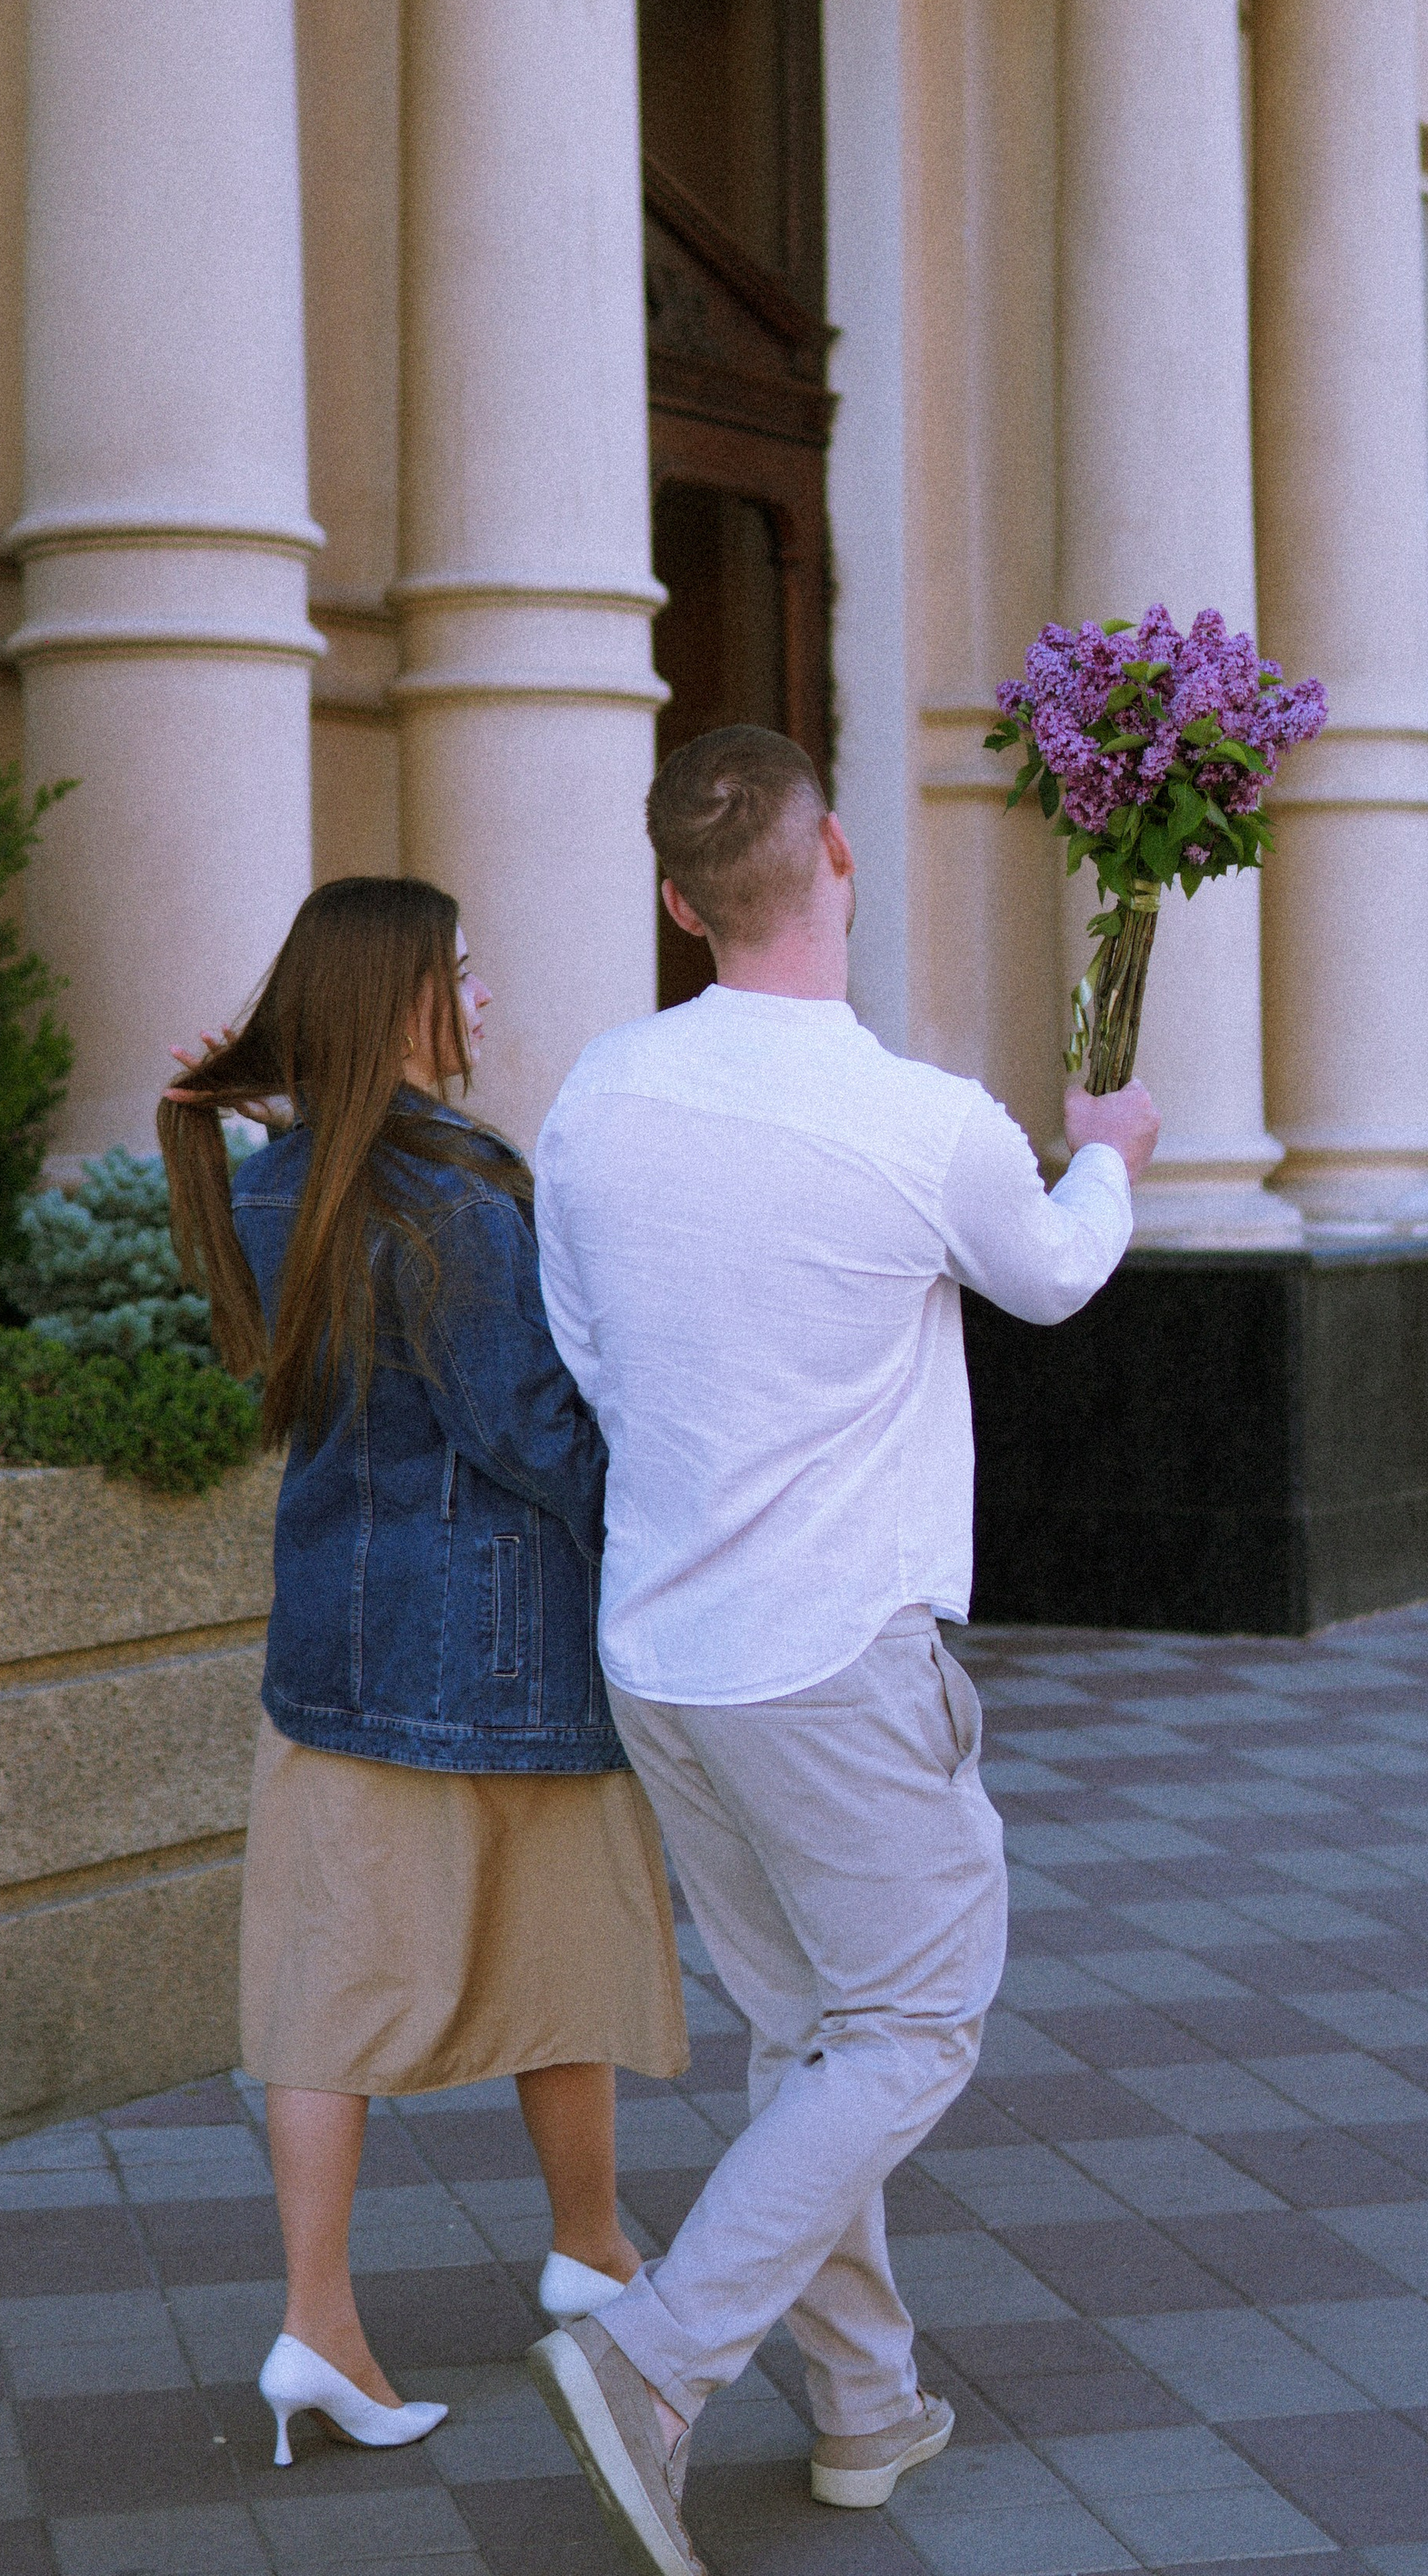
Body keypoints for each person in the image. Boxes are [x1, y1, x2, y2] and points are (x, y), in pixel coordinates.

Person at [525, 726, 1158, 2576]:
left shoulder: (594, 1098)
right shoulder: (923, 1119)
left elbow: (586, 1350)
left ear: (674, 901)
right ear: (844, 866)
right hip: (830, 1657)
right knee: (911, 2019)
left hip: (660, 1640)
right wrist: (1108, 1152)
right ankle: (653, 2359)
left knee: (810, 2033)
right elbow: (1049, 1271)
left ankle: (866, 2407)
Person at [160, 877, 690, 2472]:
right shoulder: (451, 1204)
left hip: (337, 1651)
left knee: (329, 1999)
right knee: (566, 1963)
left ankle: (327, 2315)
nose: (482, 997)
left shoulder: (272, 1181)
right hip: (507, 1653)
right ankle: (586, 2248)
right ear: (398, 1001)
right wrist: (670, 1497)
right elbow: (531, 1431)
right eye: (457, 975)